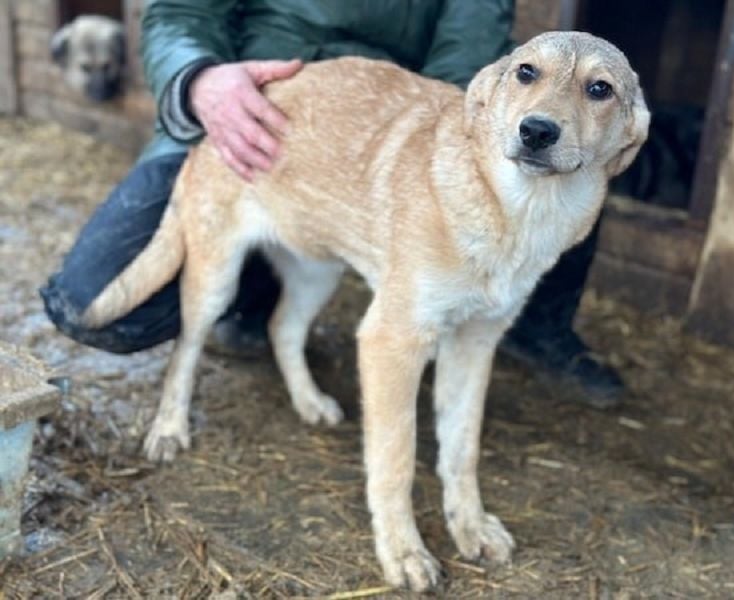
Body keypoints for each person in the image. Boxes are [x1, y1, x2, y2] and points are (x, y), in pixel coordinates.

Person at [40, 0, 623, 409]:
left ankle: (516, 323)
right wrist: (200, 81)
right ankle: (250, 289)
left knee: (557, 171)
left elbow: (466, 53)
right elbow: (180, 14)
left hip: (378, 125)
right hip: (245, 121)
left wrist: (423, 167)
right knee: (95, 302)